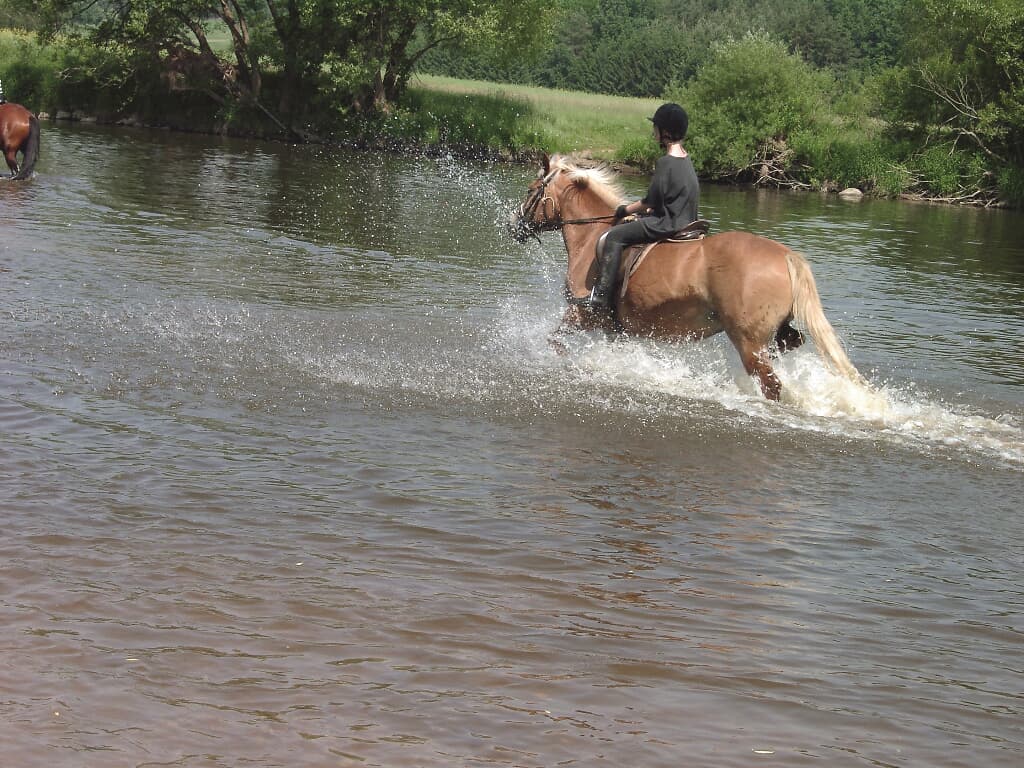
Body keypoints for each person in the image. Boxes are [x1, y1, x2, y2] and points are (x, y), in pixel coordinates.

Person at [575, 102, 700, 313]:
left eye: (656, 127)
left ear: (665, 131)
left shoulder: (666, 162)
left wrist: (624, 210)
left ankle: (600, 299)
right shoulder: (686, 159)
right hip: (687, 220)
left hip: (667, 224)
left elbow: (650, 200)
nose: (654, 132)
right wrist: (652, 210)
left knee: (614, 237)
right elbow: (674, 197)